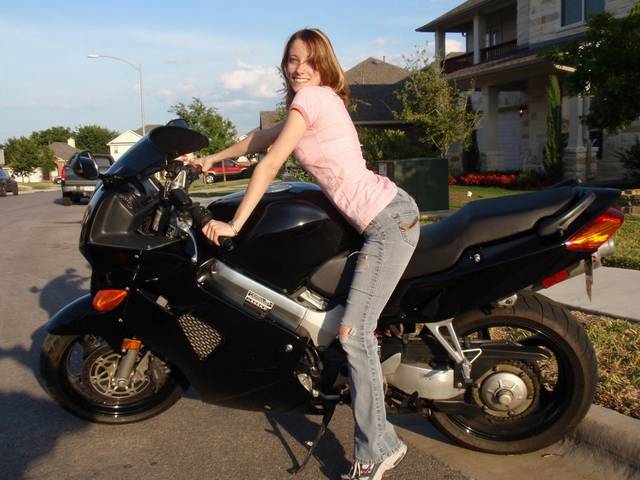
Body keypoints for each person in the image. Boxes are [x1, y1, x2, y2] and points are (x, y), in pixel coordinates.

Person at [198, 28, 419, 480]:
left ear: (324, 65)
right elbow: (260, 139)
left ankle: (379, 448)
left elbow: (270, 163)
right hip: (381, 217)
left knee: (355, 334)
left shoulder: (313, 98)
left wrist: (234, 224)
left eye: (308, 61)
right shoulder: (312, 103)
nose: (298, 68)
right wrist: (210, 158)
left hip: (387, 223)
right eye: (292, 60)